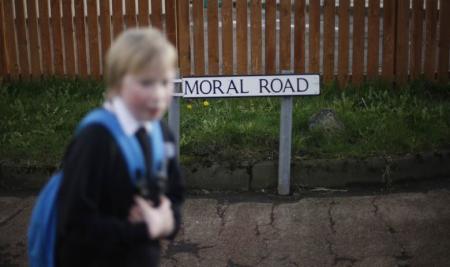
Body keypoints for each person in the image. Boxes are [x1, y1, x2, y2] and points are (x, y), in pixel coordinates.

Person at [55, 27, 185, 267]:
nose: (157, 94)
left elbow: (175, 193)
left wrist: (168, 222)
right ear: (116, 84)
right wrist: (144, 229)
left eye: (165, 82)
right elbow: (73, 224)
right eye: (145, 83)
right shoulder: (96, 140)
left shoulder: (162, 134)